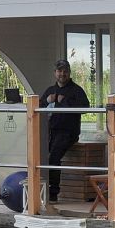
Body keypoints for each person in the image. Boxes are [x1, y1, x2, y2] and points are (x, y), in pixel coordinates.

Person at [40, 59, 90, 203]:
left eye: (65, 71)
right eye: (59, 71)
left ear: (69, 73)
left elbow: (85, 107)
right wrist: (47, 101)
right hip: (50, 132)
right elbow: (38, 106)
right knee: (42, 157)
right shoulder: (50, 90)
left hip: (68, 132)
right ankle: (41, 189)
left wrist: (64, 101)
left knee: (54, 158)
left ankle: (53, 193)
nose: (62, 74)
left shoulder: (76, 90)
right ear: (55, 73)